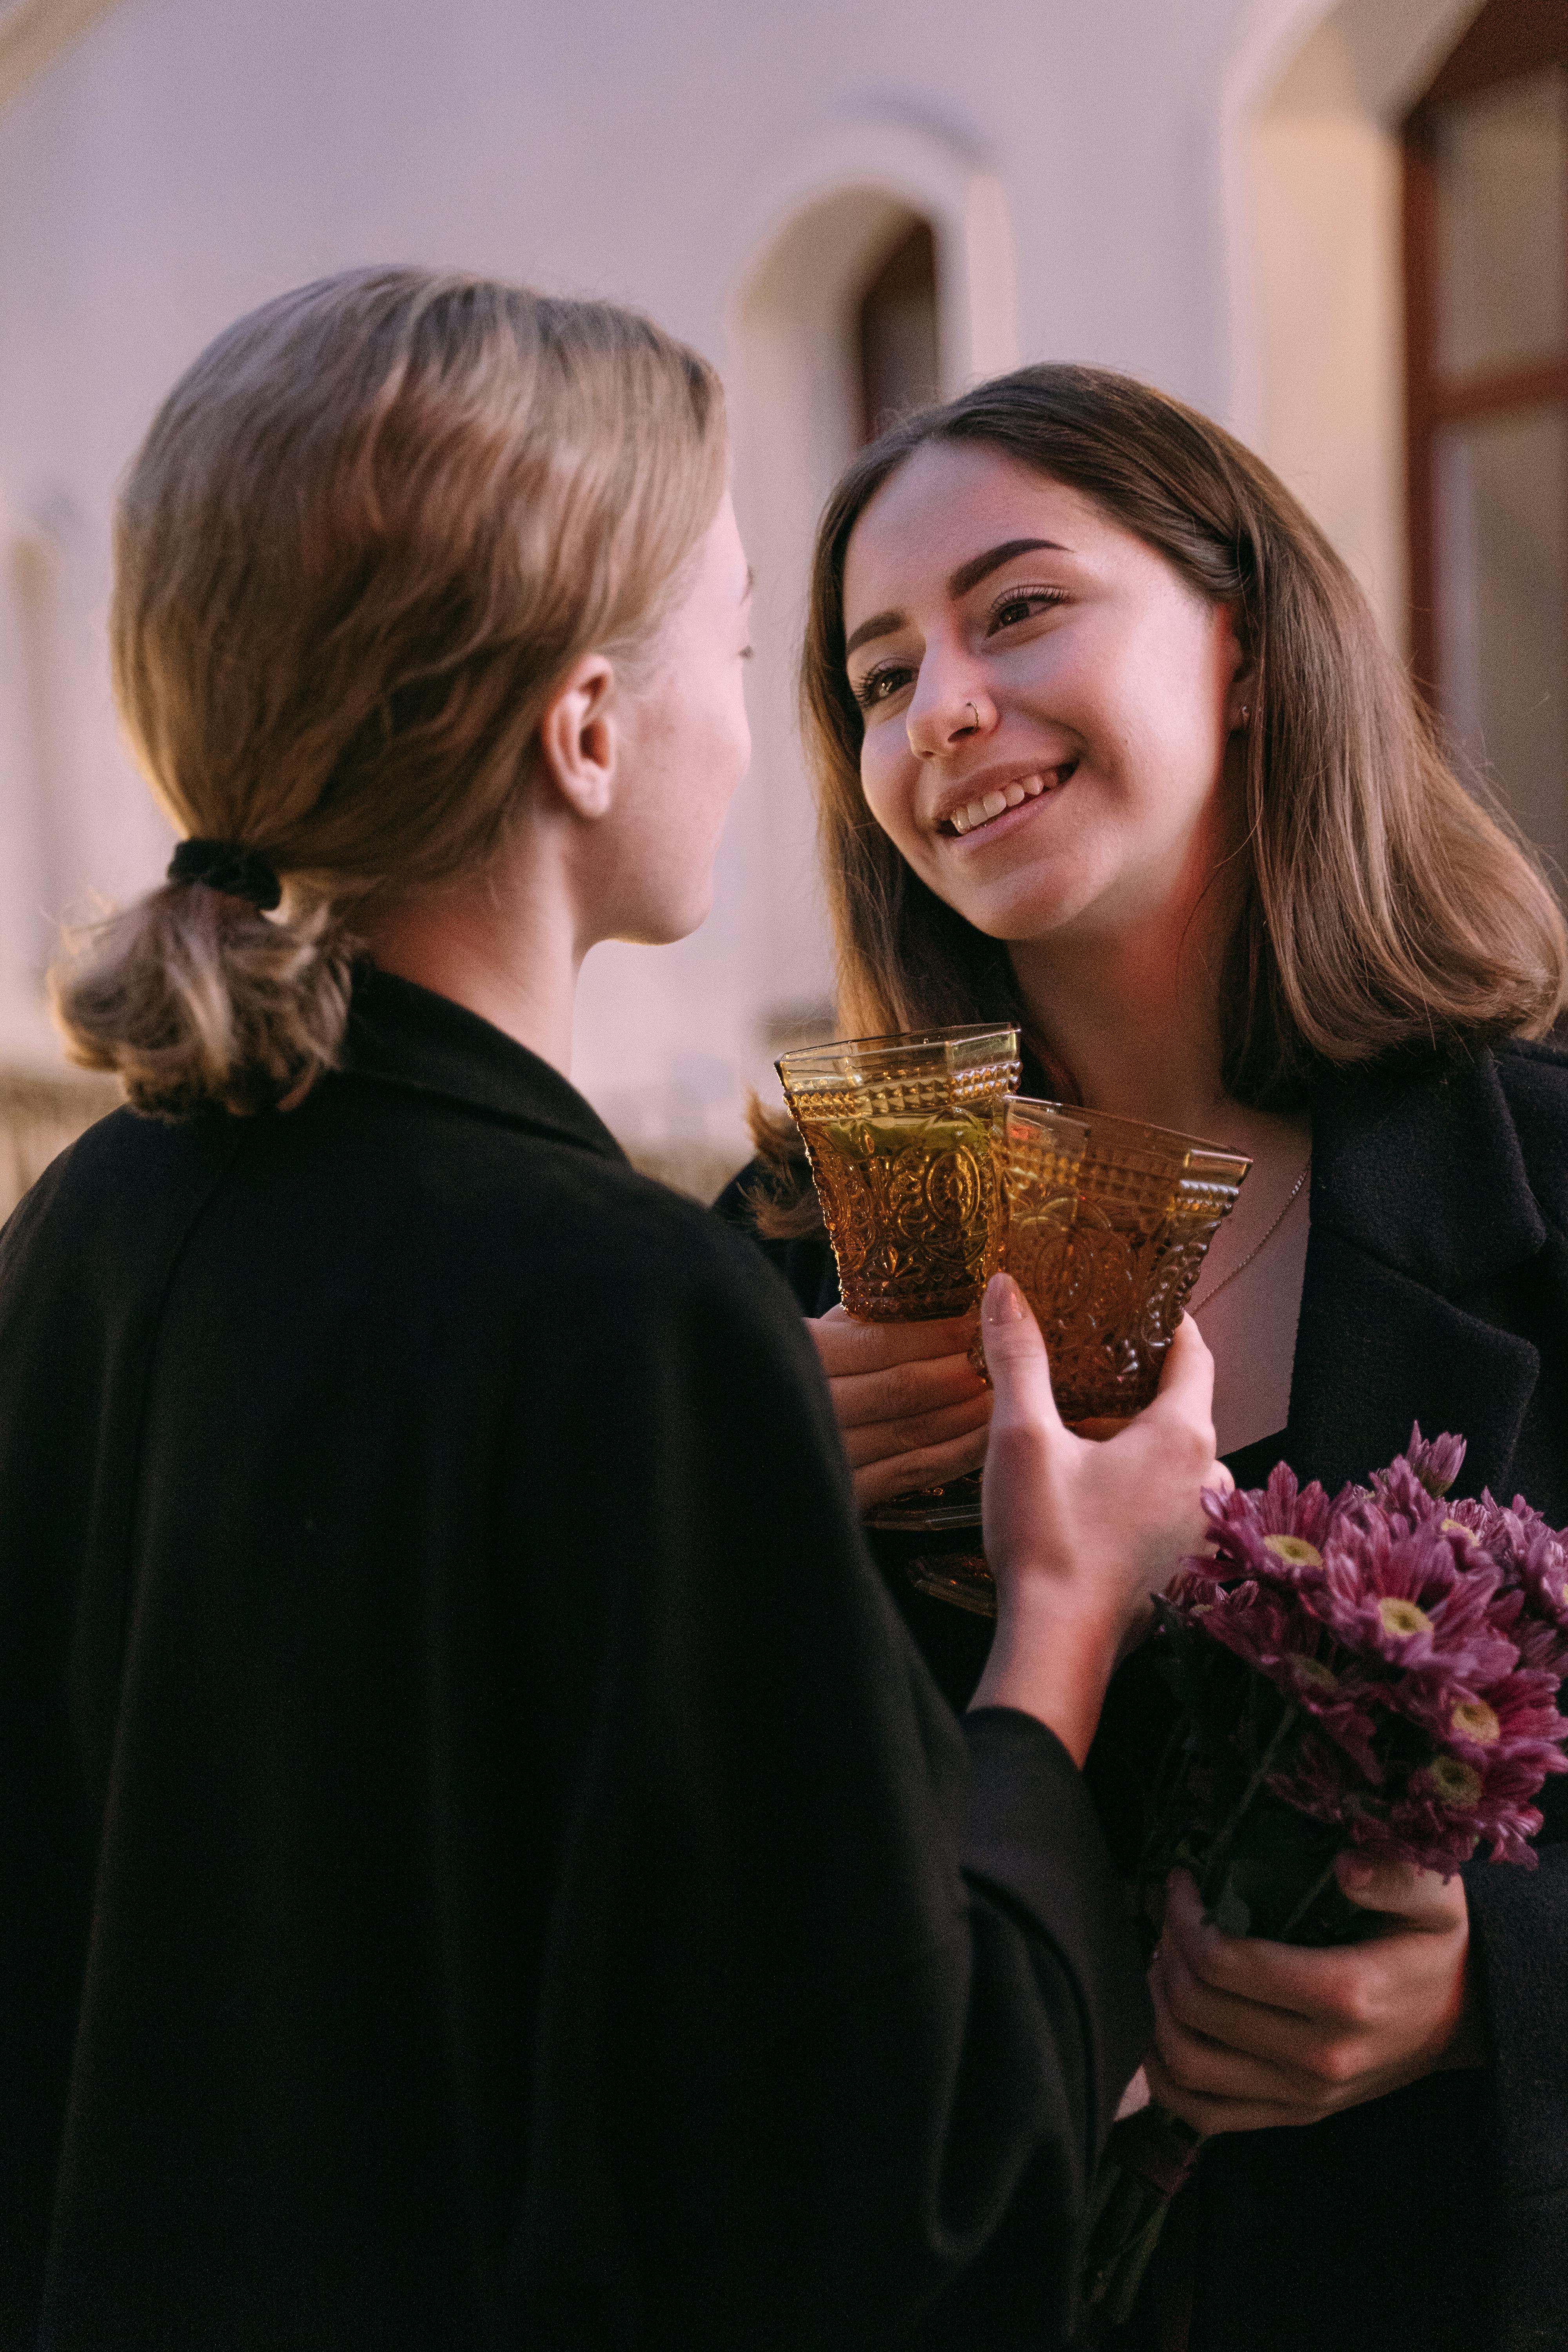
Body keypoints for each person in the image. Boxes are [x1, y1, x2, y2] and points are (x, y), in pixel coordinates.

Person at [0, 275, 1231, 2352]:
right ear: (587, 729)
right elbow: (907, 2217)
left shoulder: (92, 1226)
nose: (803, 731)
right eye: (758, 652)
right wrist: (1065, 1620)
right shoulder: (626, 1306)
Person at [718, 365, 1568, 2352]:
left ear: (1251, 653)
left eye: (1017, 609)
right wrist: (743, 1530)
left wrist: (1487, 1993)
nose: (938, 708)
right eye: (873, 673)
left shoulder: (1546, 1192)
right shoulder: (776, 1278)